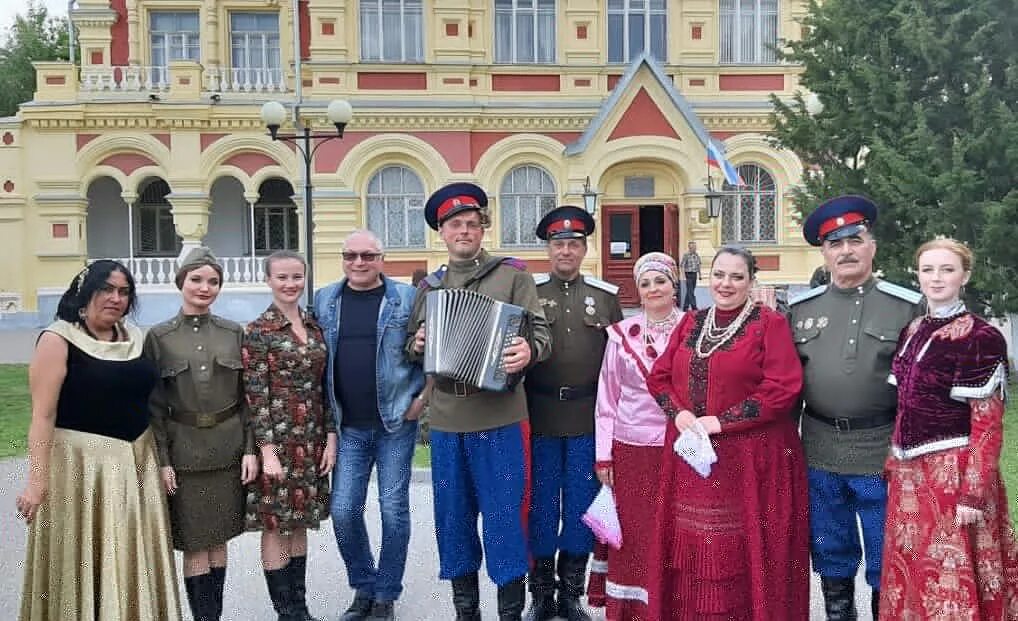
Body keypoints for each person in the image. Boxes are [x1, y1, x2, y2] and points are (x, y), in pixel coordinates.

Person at [406, 182, 551, 621]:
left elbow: (540, 334)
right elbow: (412, 347)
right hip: (449, 419)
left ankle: (509, 614)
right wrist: (417, 342)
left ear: (482, 228)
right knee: (453, 522)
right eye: (455, 225)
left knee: (506, 518)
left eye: (472, 223)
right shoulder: (429, 287)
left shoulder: (513, 275)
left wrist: (529, 350)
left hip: (501, 417)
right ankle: (465, 613)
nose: (464, 231)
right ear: (442, 232)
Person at [647, 246, 810, 621]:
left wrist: (722, 421)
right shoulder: (691, 323)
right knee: (694, 542)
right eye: (719, 274)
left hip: (750, 461)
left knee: (741, 546)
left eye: (737, 276)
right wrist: (680, 413)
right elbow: (659, 377)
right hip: (694, 460)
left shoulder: (769, 324)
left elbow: (783, 387)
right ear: (707, 277)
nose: (726, 284)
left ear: (751, 281)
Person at [17, 260, 181, 621]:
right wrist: (36, 481)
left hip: (138, 461)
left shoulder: (135, 338)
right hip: (80, 469)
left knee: (129, 553)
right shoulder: (57, 340)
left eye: (124, 292)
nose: (116, 298)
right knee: (83, 558)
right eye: (106, 289)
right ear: (84, 293)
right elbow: (42, 416)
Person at [788, 195, 921, 620]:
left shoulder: (906, 306)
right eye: (834, 244)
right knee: (831, 550)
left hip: (883, 452)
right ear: (824, 253)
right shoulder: (800, 311)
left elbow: (924, 390)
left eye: (855, 240)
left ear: (871, 246)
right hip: (821, 451)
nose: (845, 251)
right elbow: (787, 388)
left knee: (887, 554)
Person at [879, 238, 1017, 619]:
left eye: (947, 269)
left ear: (964, 276)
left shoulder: (981, 337)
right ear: (918, 275)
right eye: (928, 270)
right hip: (909, 475)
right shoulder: (912, 330)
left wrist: (973, 493)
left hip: (952, 475)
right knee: (910, 573)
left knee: (947, 577)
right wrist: (894, 459)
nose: (936, 278)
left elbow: (988, 423)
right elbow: (904, 408)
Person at [314, 231, 426, 621]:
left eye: (367, 255)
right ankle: (363, 585)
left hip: (395, 422)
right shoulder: (325, 299)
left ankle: (385, 594)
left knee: (393, 510)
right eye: (350, 255)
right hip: (348, 427)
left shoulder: (406, 299)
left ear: (382, 258)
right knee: (344, 510)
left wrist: (422, 401)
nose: (358, 262)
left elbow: (432, 348)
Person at [144, 247, 258, 621]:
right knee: (195, 544)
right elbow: (155, 407)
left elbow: (247, 398)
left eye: (213, 281)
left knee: (219, 539)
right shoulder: (159, 338)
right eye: (196, 279)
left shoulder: (231, 333)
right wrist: (162, 462)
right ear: (181, 282)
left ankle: (215, 615)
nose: (204, 288)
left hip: (226, 452)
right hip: (184, 454)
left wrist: (249, 449)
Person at [525, 206, 623, 621]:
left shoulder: (606, 297)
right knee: (542, 507)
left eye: (573, 243)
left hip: (588, 419)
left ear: (584, 249)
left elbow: (620, 363)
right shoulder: (528, 293)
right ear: (548, 248)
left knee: (582, 506)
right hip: (541, 414)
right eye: (558, 243)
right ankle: (542, 596)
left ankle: (571, 595)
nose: (565, 250)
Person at [243, 250, 337, 621]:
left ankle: (300, 609)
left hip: (311, 438)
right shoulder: (257, 331)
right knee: (276, 523)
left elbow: (324, 386)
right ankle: (287, 612)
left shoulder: (314, 327)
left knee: (299, 522)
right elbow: (255, 395)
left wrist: (330, 436)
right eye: (282, 277)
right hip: (278, 442)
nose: (290, 284)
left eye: (297, 277)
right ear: (268, 280)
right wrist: (266, 450)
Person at [592, 252, 682, 621]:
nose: (653, 289)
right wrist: (603, 455)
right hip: (631, 451)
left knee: (677, 529)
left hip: (680, 449)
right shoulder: (621, 336)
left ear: (674, 286)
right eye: (645, 283)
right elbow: (606, 400)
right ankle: (633, 608)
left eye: (660, 281)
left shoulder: (693, 330)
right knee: (635, 532)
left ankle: (675, 603)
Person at [678, 240, 701, 310]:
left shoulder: (696, 255)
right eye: (693, 247)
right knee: (690, 291)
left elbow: (698, 265)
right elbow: (682, 265)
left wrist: (700, 275)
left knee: (690, 291)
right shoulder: (686, 255)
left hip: (695, 274)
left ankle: (685, 307)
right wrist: (683, 276)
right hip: (688, 274)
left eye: (695, 247)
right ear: (689, 248)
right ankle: (694, 307)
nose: (694, 248)